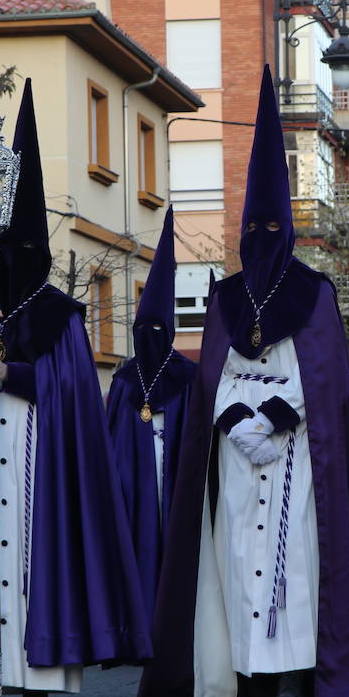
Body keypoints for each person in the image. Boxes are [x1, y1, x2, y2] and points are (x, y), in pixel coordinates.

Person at [138, 67, 349, 697]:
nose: (258, 238)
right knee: (236, 554)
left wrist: (274, 421)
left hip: (293, 453)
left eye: (269, 227)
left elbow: (324, 379)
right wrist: (237, 422)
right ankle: (249, 672)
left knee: (293, 555)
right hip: (235, 453)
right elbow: (212, 378)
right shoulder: (226, 295)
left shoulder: (314, 292)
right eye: (250, 229)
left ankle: (290, 675)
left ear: (284, 226)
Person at [0, 81, 150, 697]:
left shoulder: (60, 314)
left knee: (33, 557)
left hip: (33, 451)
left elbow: (74, 391)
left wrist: (18, 373)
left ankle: (34, 678)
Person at [106, 207, 198, 623]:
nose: (149, 339)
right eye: (142, 331)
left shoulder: (187, 376)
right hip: (135, 482)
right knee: (138, 539)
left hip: (174, 474)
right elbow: (110, 438)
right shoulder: (124, 378)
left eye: (157, 332)